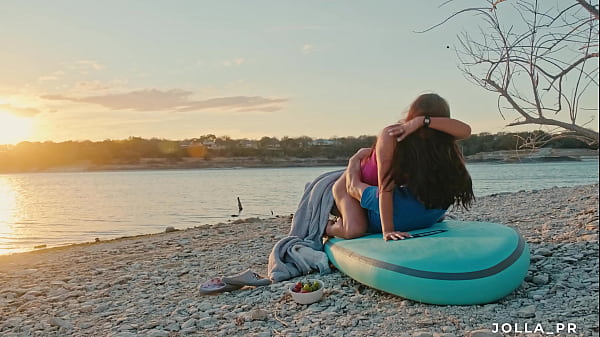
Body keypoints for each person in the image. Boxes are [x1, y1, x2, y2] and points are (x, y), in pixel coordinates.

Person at [325, 93, 475, 241]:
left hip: (373, 191)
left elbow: (466, 131)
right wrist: (388, 230)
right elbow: (386, 187)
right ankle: (329, 227)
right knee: (354, 230)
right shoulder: (393, 134)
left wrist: (423, 121)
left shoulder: (437, 139)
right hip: (350, 184)